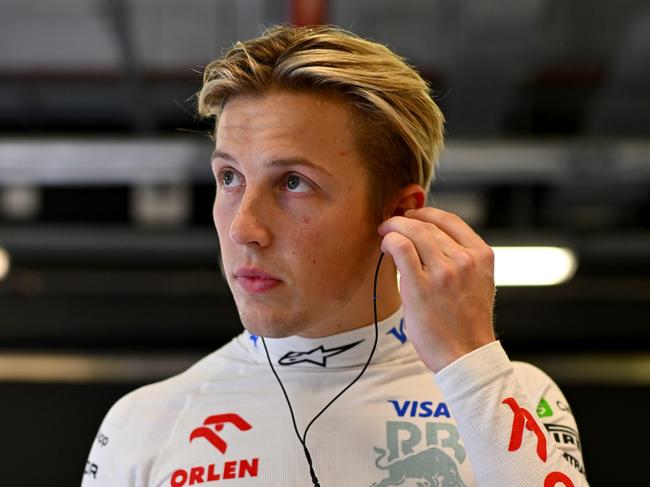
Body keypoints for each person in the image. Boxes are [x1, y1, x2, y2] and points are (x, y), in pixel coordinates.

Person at [82, 25, 588, 487]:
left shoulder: (513, 396)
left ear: (399, 213)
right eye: (229, 177)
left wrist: (471, 363)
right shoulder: (143, 422)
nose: (243, 228)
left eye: (294, 182)